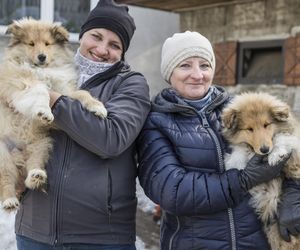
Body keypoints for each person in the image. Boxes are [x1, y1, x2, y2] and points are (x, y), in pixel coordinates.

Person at [137, 30, 298, 249]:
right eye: (185, 65)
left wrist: (293, 196)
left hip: (255, 242)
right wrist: (241, 181)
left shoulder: (241, 110)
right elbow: (172, 191)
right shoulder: (156, 121)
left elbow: (289, 149)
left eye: (204, 65)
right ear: (169, 72)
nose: (197, 74)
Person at [15, 0, 150, 249]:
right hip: (35, 231)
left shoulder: (131, 84)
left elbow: (111, 139)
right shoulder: (48, 67)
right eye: (96, 37)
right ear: (82, 35)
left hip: (99, 237)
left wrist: (52, 100)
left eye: (114, 44)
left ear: (123, 52)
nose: (101, 49)